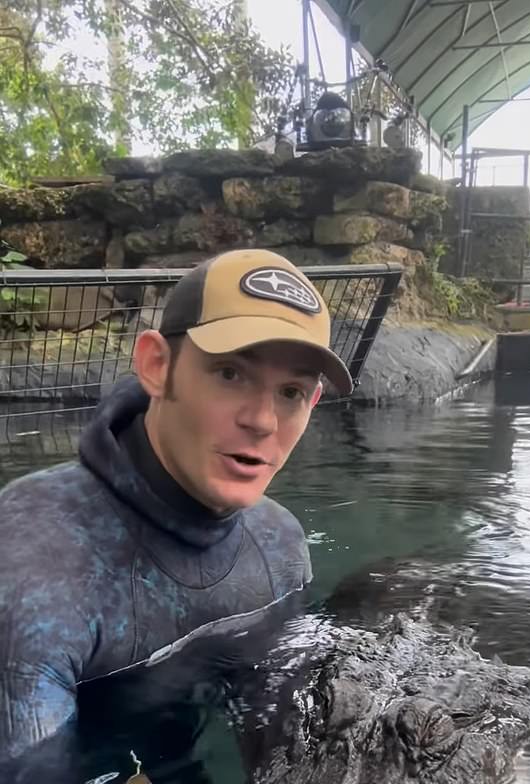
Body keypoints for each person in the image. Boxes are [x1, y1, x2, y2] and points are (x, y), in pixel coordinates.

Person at [0, 248, 353, 755]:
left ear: (313, 403)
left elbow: (283, 743)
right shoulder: (33, 561)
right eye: (231, 374)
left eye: (291, 392)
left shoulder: (280, 545)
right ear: (155, 365)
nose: (263, 420)